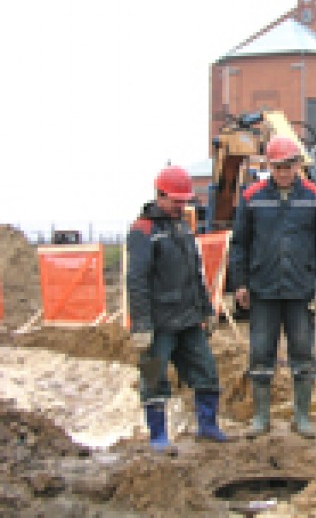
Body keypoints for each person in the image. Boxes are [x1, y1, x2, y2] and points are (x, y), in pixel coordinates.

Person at [228, 135, 316, 439]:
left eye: (288, 167)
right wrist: (240, 283)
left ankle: (301, 416)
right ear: (269, 167)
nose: (283, 173)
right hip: (263, 289)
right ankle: (261, 418)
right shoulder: (252, 198)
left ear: (298, 165)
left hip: (300, 289)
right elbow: (240, 245)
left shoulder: (314, 197)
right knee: (261, 354)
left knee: (302, 354)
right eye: (277, 168)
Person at [127, 165, 231, 451]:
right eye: (175, 201)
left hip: (187, 319)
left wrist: (207, 310)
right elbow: (136, 281)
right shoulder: (143, 230)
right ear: (160, 195)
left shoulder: (182, 226)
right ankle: (159, 436)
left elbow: (194, 273)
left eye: (184, 201)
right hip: (159, 323)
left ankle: (207, 426)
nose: (180, 206)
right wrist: (141, 325)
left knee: (206, 371)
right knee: (154, 378)